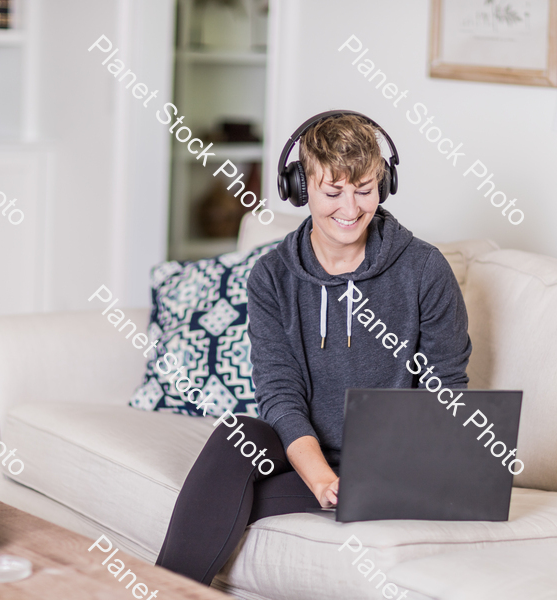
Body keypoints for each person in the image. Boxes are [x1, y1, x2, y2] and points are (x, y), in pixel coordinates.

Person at [155, 111, 471, 585]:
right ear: (301, 189)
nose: (350, 208)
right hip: (302, 454)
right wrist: (321, 478)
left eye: (364, 189)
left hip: (389, 464)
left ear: (384, 184)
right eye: (333, 191)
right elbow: (279, 393)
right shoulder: (272, 275)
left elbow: (446, 391)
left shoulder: (424, 270)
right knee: (236, 436)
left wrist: (388, 474)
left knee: (217, 501)